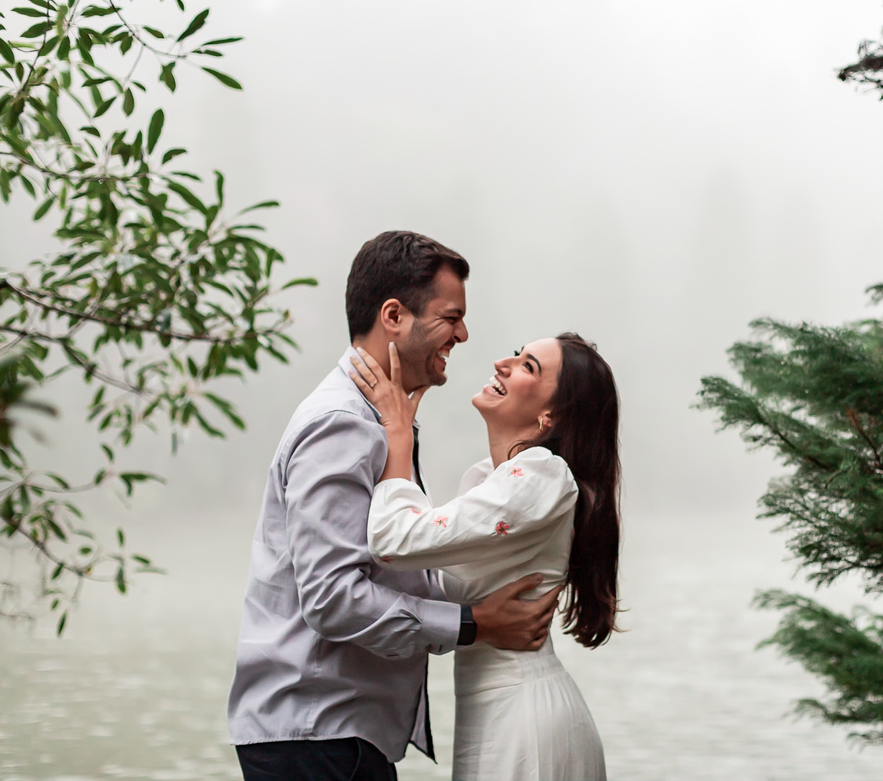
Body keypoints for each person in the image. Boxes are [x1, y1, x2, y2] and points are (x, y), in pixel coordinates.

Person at [227, 231, 559, 781]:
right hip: (317, 738)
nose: (464, 334)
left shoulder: (378, 419)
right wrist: (473, 624)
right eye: (451, 317)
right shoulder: (344, 424)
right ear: (394, 316)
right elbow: (331, 597)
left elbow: (391, 564)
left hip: (332, 737)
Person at [347, 331, 621, 781]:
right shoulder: (489, 480)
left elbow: (394, 540)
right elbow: (424, 573)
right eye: (517, 355)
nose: (502, 363)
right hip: (492, 708)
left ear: (551, 415)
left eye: (528, 366)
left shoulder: (541, 476)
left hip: (524, 717)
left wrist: (398, 436)